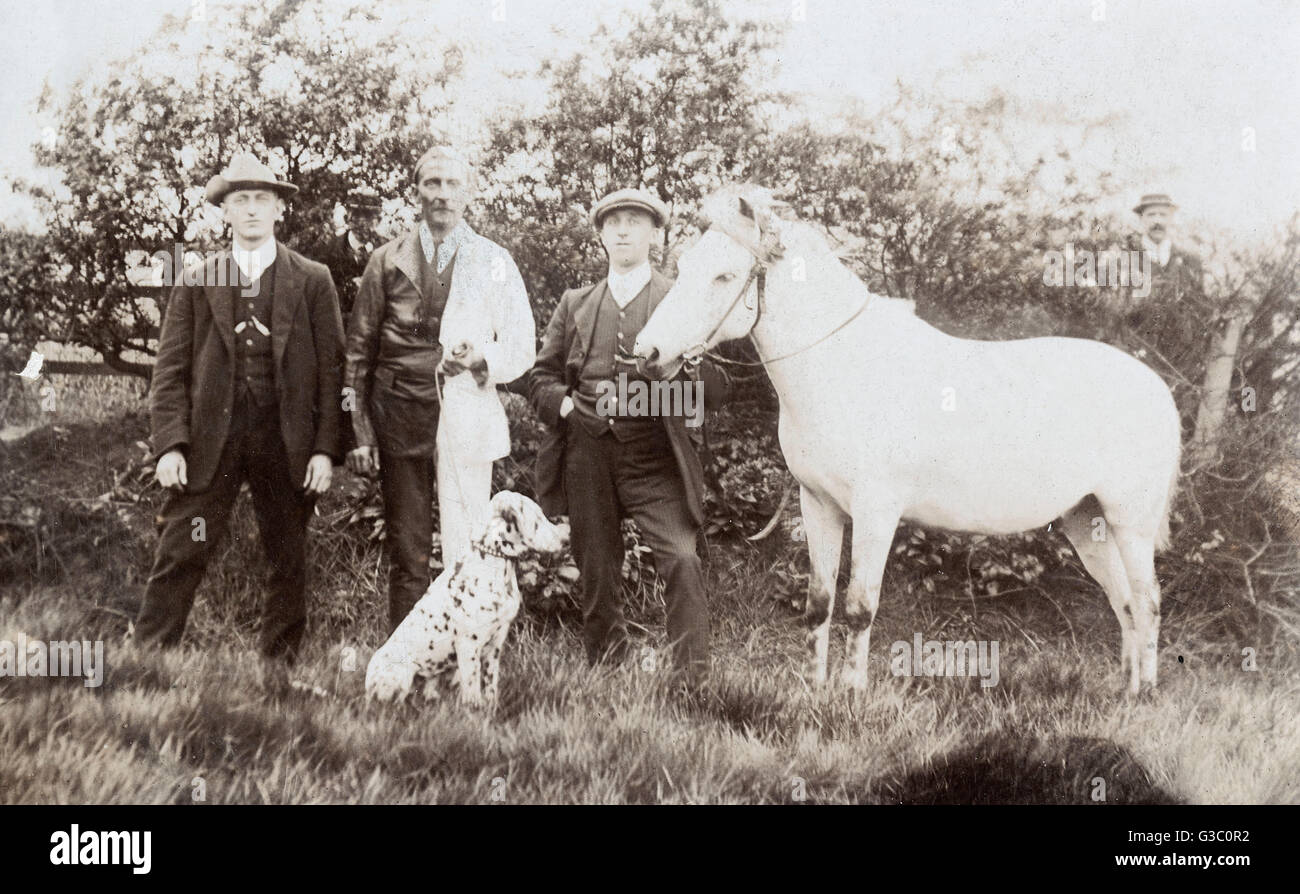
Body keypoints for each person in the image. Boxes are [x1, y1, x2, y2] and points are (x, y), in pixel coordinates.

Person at [135, 152, 345, 660]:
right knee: (185, 547)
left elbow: (334, 371)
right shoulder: (198, 278)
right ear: (225, 212)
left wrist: (325, 449)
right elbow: (170, 371)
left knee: (286, 556)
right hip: (212, 443)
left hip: (285, 442)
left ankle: (278, 676)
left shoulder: (312, 279)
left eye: (261, 200)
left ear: (279, 210)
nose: (252, 209)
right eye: (241, 200)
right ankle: (145, 665)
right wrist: (170, 446)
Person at [528, 187, 729, 686]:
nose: (622, 230)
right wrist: (570, 405)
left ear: (654, 233)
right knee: (596, 569)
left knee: (681, 558)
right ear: (599, 234)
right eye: (613, 222)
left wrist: (685, 377)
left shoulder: (679, 300)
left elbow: (717, 393)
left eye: (635, 221)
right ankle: (605, 669)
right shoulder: (575, 302)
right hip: (587, 453)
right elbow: (540, 378)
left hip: (654, 457)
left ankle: (691, 680)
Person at [344, 146, 535, 629]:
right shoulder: (386, 261)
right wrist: (362, 434)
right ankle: (405, 657)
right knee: (408, 550)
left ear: (468, 193)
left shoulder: (494, 261)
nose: (442, 195)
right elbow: (359, 353)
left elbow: (522, 343)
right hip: (398, 416)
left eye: (452, 184)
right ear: (417, 191)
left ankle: (465, 654)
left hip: (466, 416)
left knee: (469, 542)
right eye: (432, 184)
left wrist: (481, 359)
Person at [316, 189, 382, 320]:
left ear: (378, 220)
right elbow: (320, 295)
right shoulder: (328, 250)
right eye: (357, 215)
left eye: (368, 216)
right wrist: (347, 288)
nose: (362, 222)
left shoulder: (388, 251)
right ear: (347, 218)